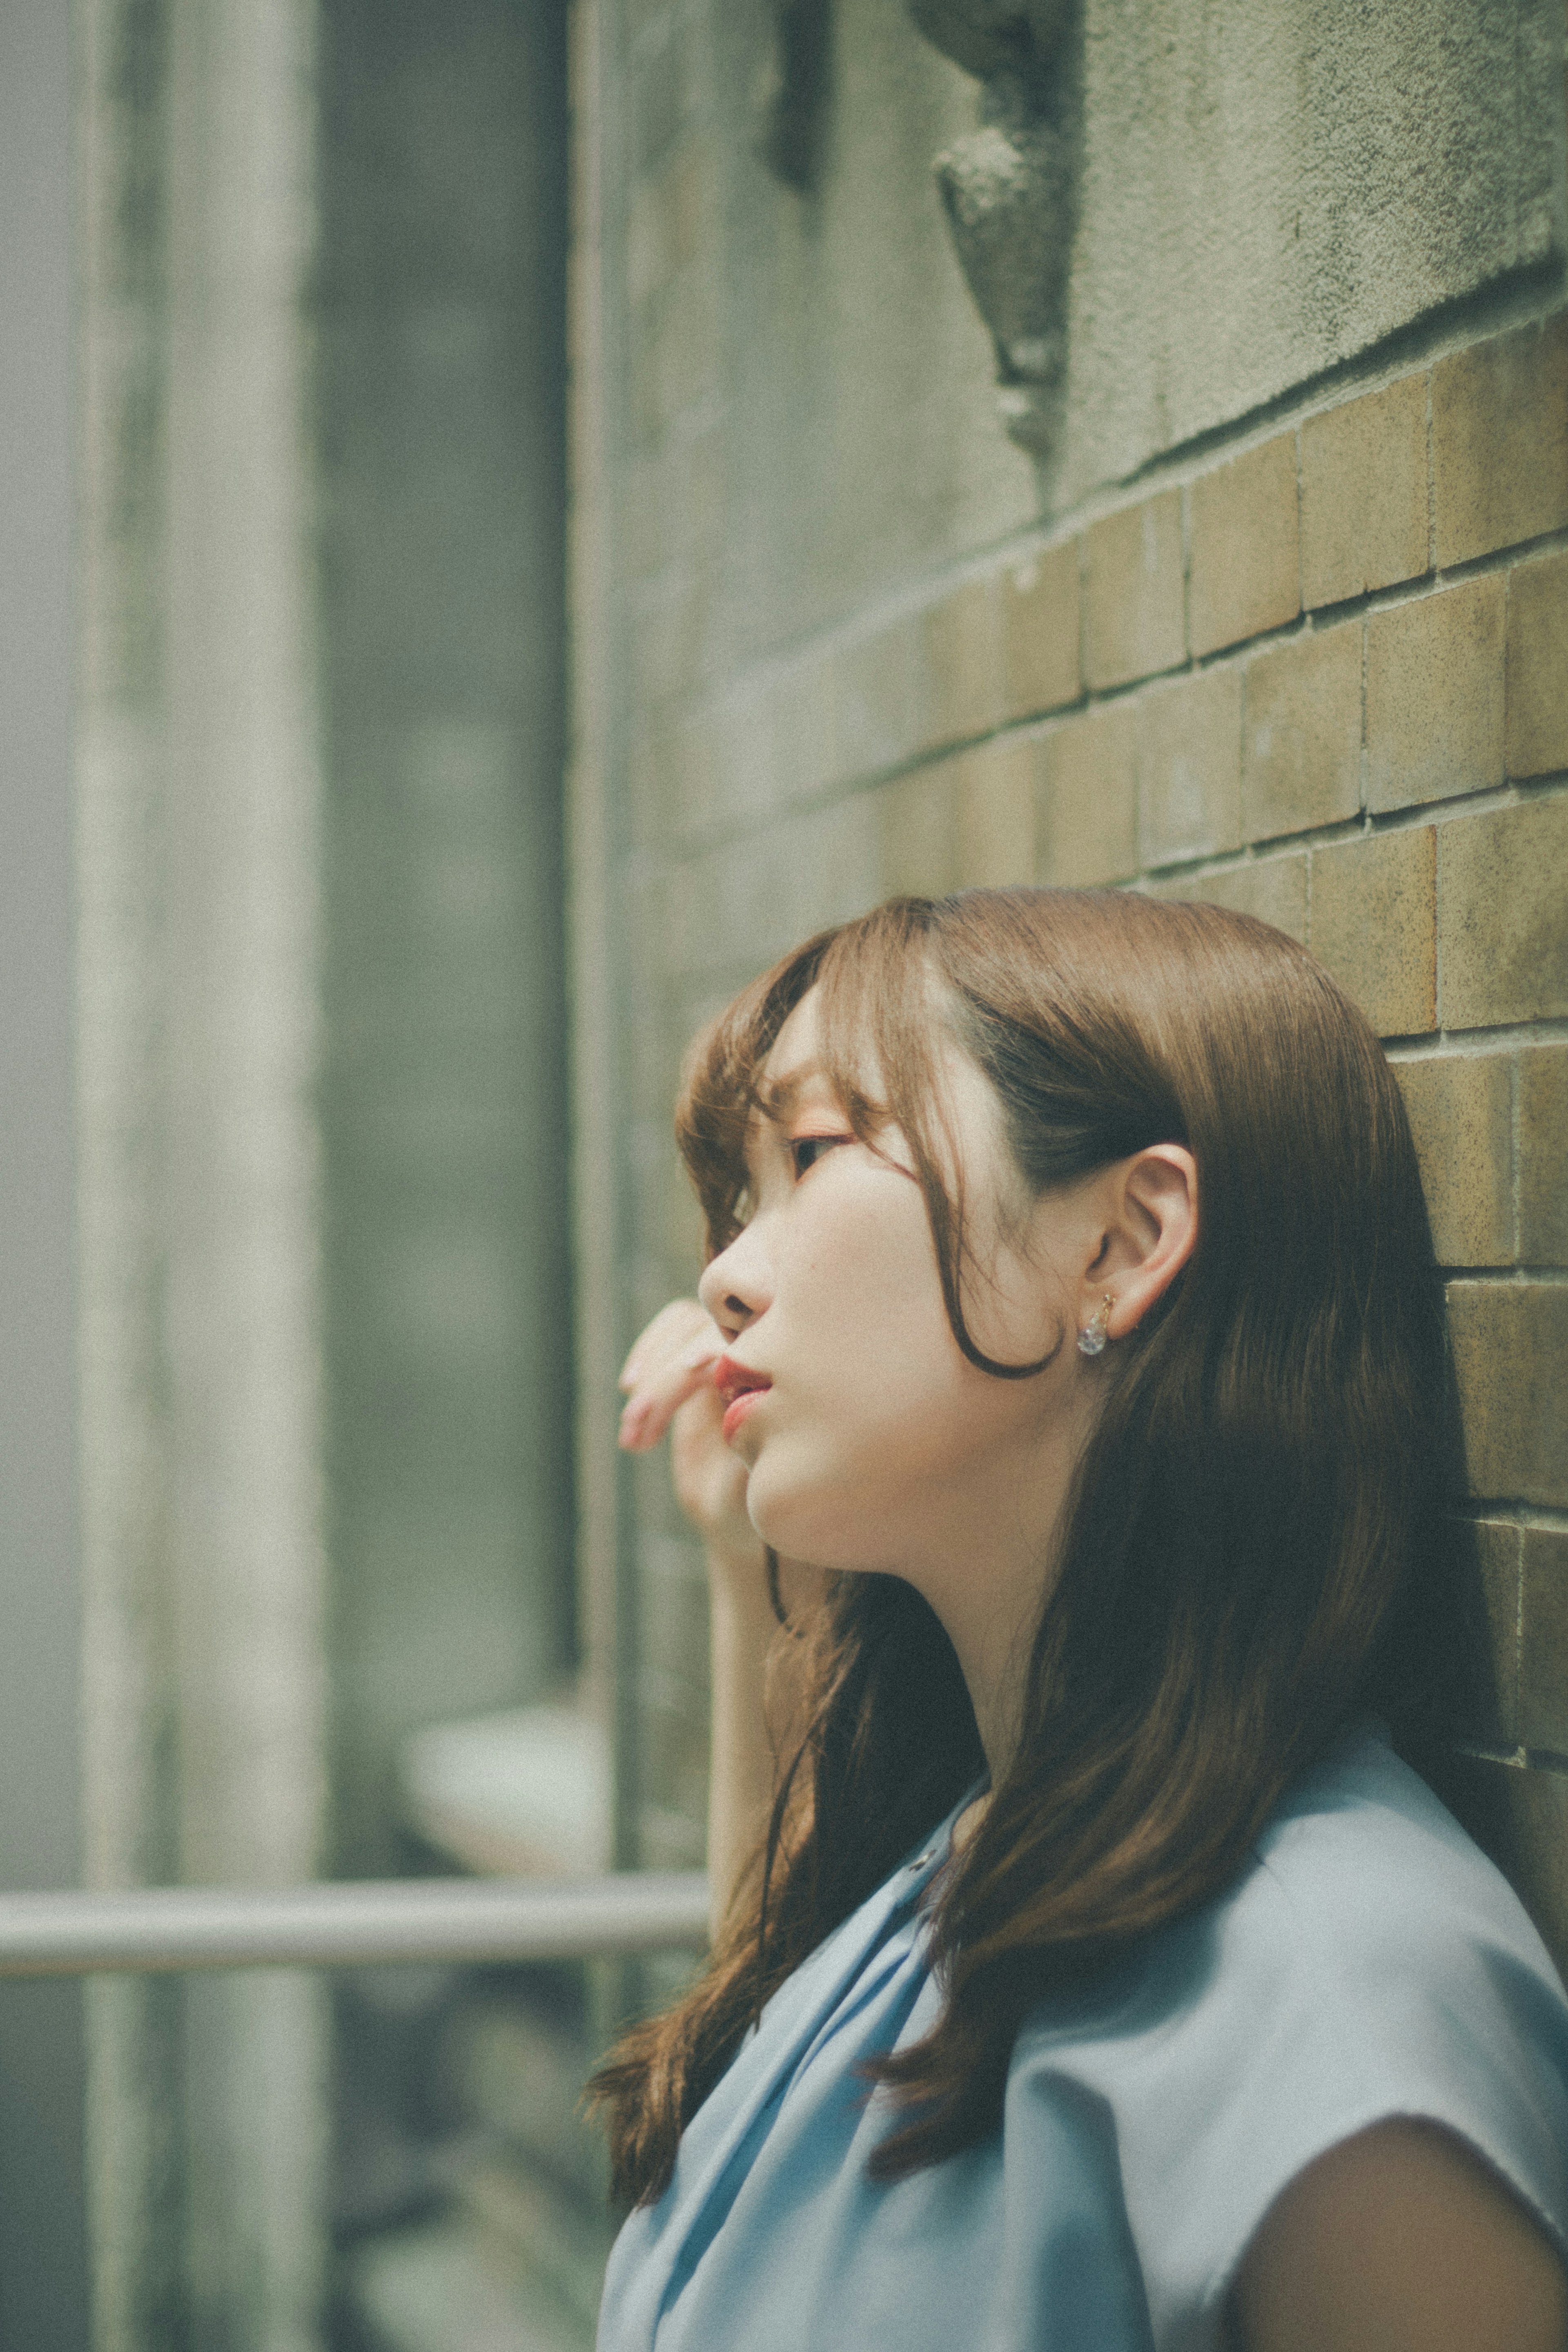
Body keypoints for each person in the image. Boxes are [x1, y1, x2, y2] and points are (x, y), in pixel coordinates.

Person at [591, 887, 1568, 2352]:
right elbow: (775, 2151)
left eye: (809, 1155)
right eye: (739, 1198)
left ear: (1122, 1240)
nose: (725, 1272)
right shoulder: (1000, 1843)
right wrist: (752, 1585)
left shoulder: (1338, 1996)